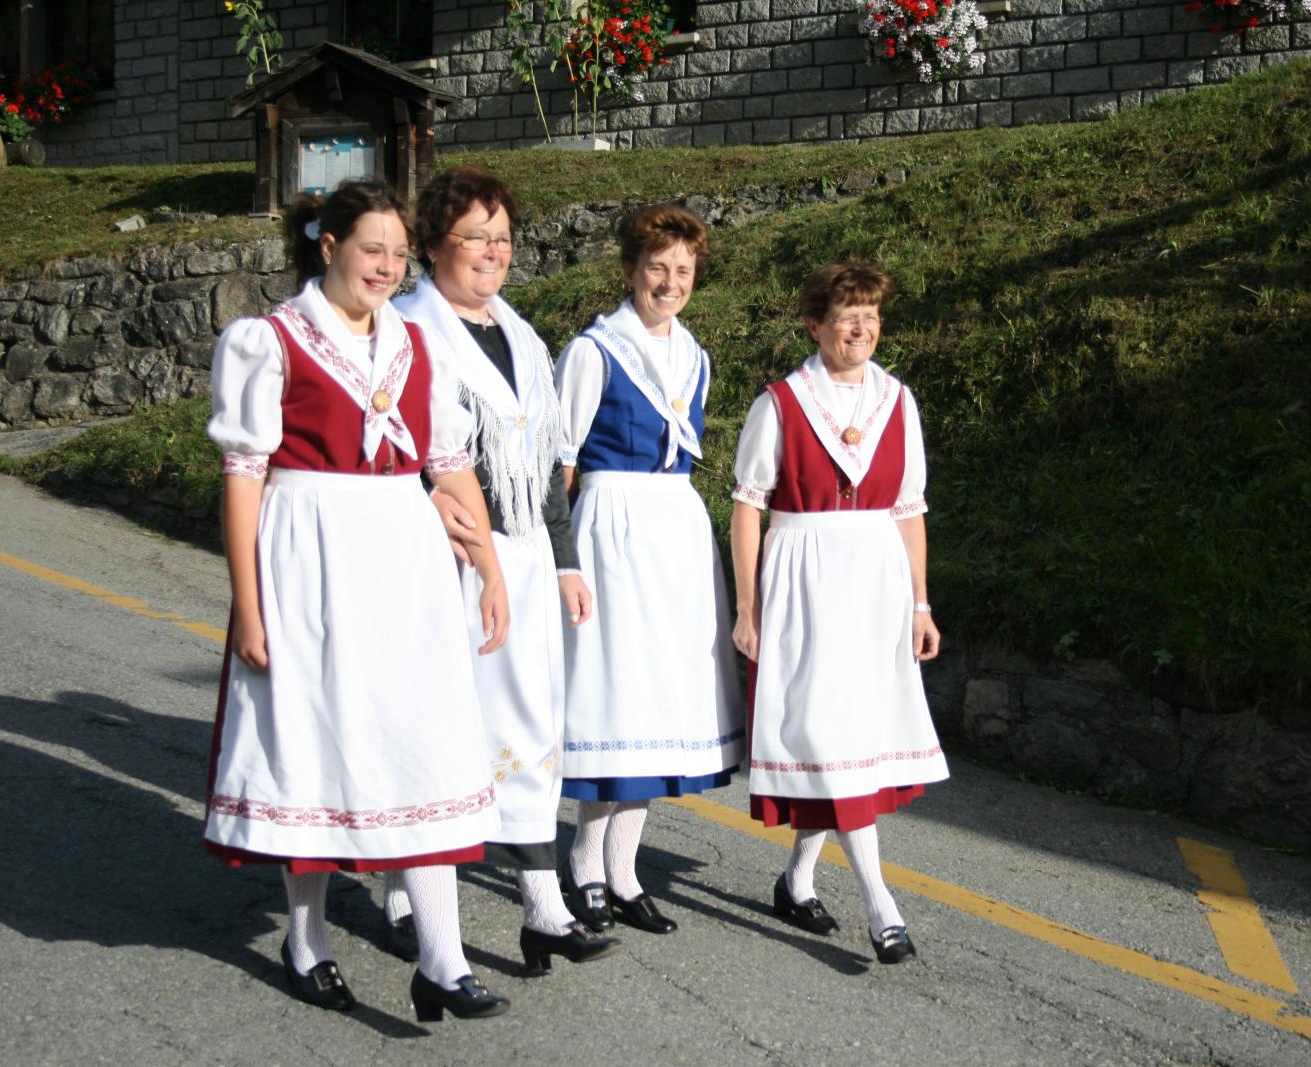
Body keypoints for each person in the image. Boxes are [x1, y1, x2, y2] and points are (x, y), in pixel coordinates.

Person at [203, 178, 513, 1021]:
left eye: (399, 254)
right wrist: (250, 607)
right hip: (307, 554)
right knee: (313, 740)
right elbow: (243, 479)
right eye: (371, 249)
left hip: (405, 562)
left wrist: (489, 568)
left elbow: (449, 465)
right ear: (328, 244)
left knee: (423, 738)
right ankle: (307, 939)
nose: (386, 266)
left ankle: (442, 958)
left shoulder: (420, 343)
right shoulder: (268, 341)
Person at [391, 165, 620, 976]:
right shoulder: (411, 330)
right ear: (431, 245)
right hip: (448, 559)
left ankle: (541, 904)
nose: (491, 253)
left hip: (522, 555)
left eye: (501, 238)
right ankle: (399, 883)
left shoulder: (519, 333)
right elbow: (417, 460)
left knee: (529, 725)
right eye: (473, 238)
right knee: (441, 722)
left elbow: (548, 456)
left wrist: (562, 562)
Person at [728, 262, 949, 965]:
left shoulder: (898, 400)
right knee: (827, 733)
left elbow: (910, 510)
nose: (861, 328)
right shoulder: (781, 403)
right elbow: (747, 505)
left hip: (876, 580)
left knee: (848, 739)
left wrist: (920, 601)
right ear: (815, 325)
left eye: (871, 315)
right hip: (803, 579)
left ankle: (797, 879)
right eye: (846, 315)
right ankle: (881, 906)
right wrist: (747, 605)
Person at [553, 202, 745, 936]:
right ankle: (584, 859)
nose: (669, 282)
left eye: (683, 270)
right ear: (631, 269)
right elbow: (560, 464)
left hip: (674, 531)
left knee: (660, 702)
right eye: (657, 267)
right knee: (616, 695)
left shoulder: (695, 354)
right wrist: (559, 558)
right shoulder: (593, 352)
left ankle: (625, 868)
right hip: (610, 526)